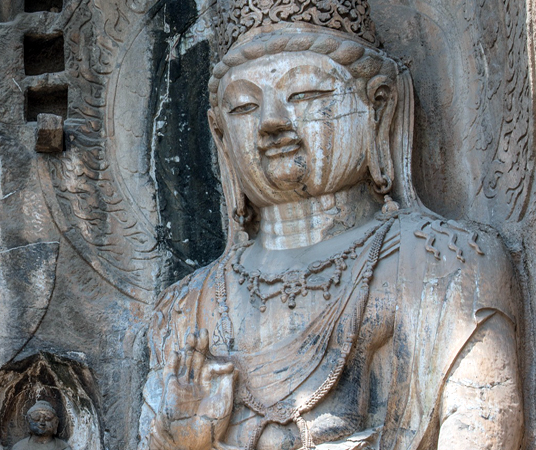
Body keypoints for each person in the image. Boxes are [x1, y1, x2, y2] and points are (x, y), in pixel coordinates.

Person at [139, 1, 524, 449]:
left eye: (305, 95)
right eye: (244, 107)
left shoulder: (451, 261)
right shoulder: (186, 308)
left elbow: (484, 426)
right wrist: (185, 438)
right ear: (220, 134)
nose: (272, 123)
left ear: (378, 106)